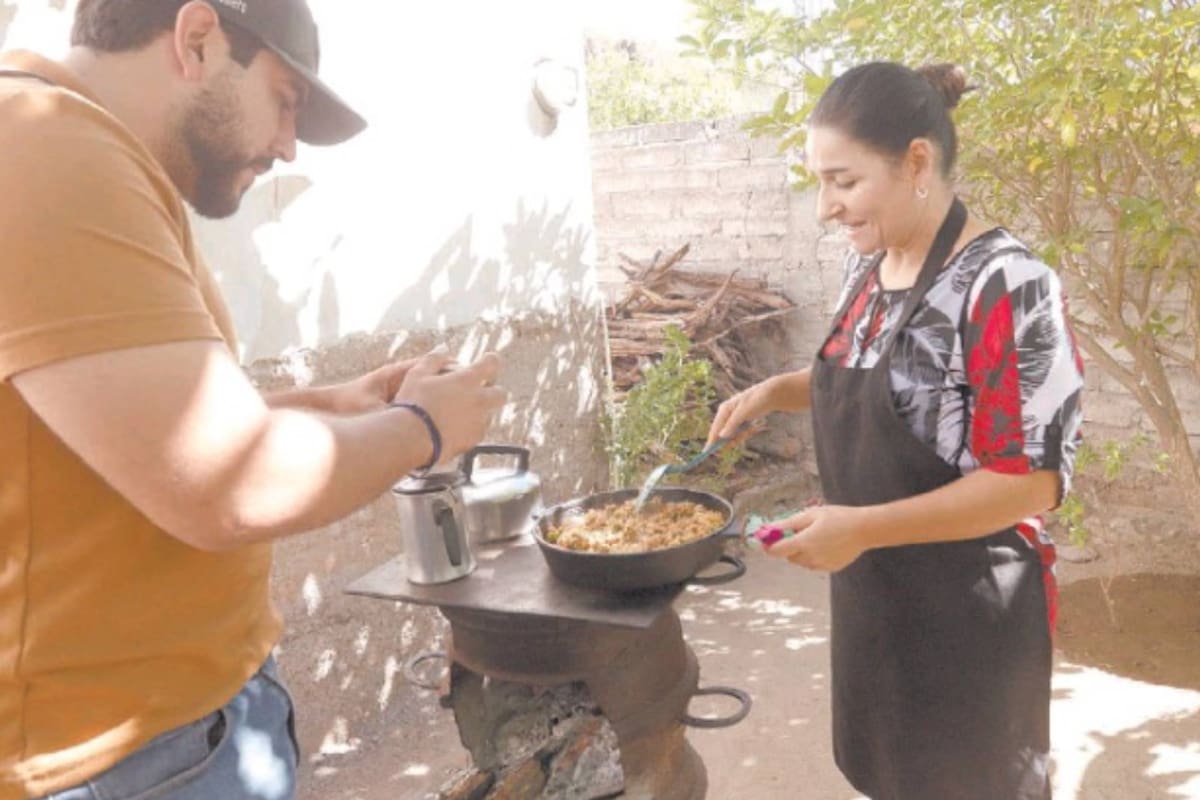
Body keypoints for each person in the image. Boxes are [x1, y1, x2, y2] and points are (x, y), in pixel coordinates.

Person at [0, 1, 505, 798]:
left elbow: (148, 435)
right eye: (285, 99)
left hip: (176, 729)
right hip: (118, 761)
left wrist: (331, 406)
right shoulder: (44, 143)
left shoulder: (77, 149)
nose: (287, 144)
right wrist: (423, 430)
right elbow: (226, 485)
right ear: (198, 39)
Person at [709, 62, 1084, 799]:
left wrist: (864, 527)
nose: (825, 208)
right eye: (821, 183)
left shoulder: (1006, 284)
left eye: (843, 182)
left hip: (969, 615)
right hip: (875, 602)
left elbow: (1031, 478)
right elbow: (886, 380)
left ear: (916, 161)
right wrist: (772, 393)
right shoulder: (872, 266)